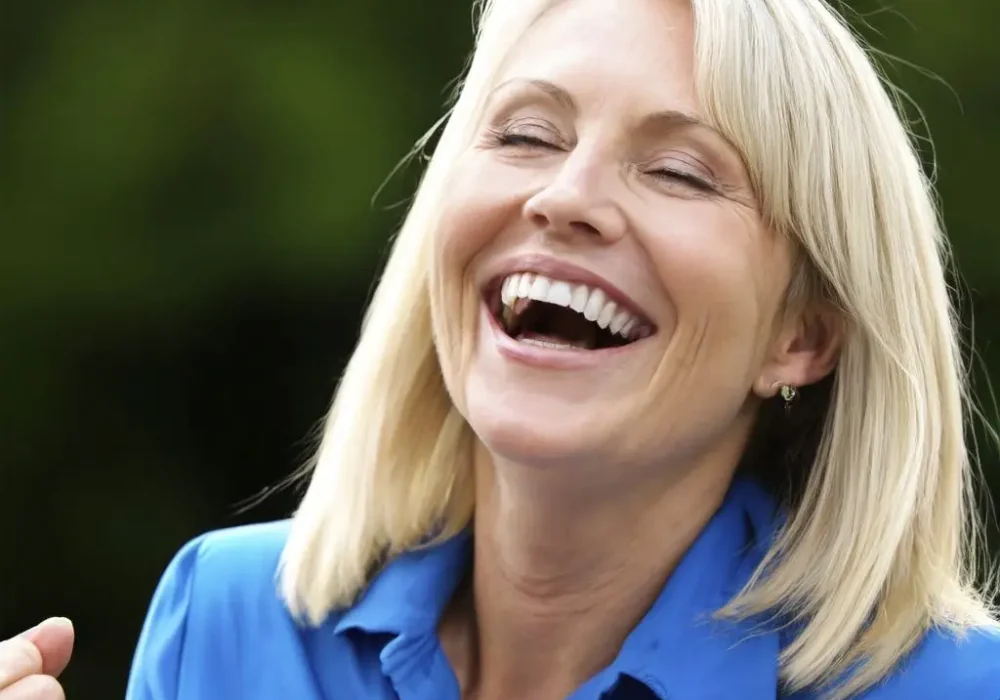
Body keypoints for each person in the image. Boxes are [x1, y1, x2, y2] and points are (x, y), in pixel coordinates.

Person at [4, 0, 1000, 697]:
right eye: (527, 133)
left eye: (680, 171)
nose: (564, 196)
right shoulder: (225, 619)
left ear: (802, 336)